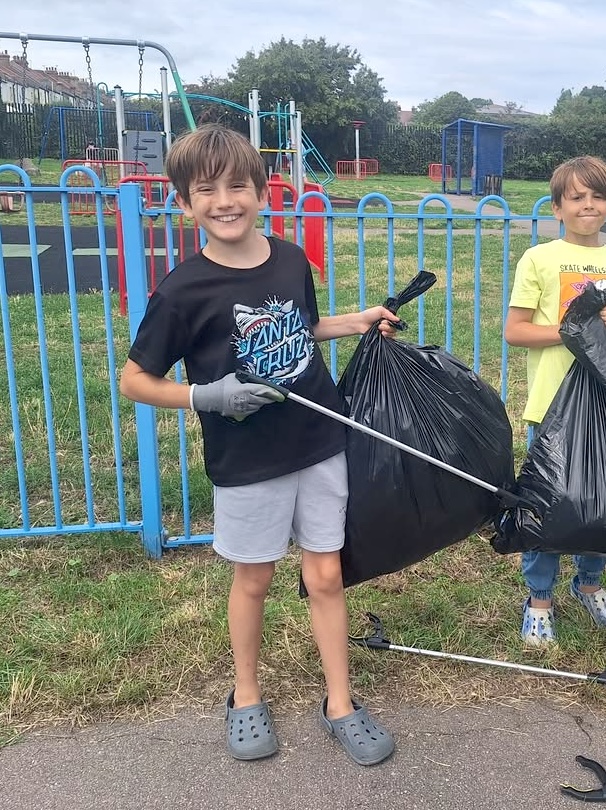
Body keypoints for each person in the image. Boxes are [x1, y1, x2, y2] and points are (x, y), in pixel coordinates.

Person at [119, 124, 400, 764]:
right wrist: (206, 396)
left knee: (326, 574)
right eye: (207, 190)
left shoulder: (291, 258)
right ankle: (245, 696)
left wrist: (355, 321)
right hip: (247, 461)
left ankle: (340, 703)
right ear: (185, 202)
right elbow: (134, 380)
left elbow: (299, 330)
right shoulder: (182, 291)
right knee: (254, 578)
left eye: (237, 185)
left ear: (262, 192)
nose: (225, 200)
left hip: (319, 439)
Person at [503, 155, 606, 646]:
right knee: (547, 503)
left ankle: (589, 583)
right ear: (558, 208)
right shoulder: (539, 259)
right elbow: (515, 330)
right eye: (576, 197)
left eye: (597, 196)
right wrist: (572, 330)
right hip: (552, 404)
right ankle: (540, 598)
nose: (588, 205)